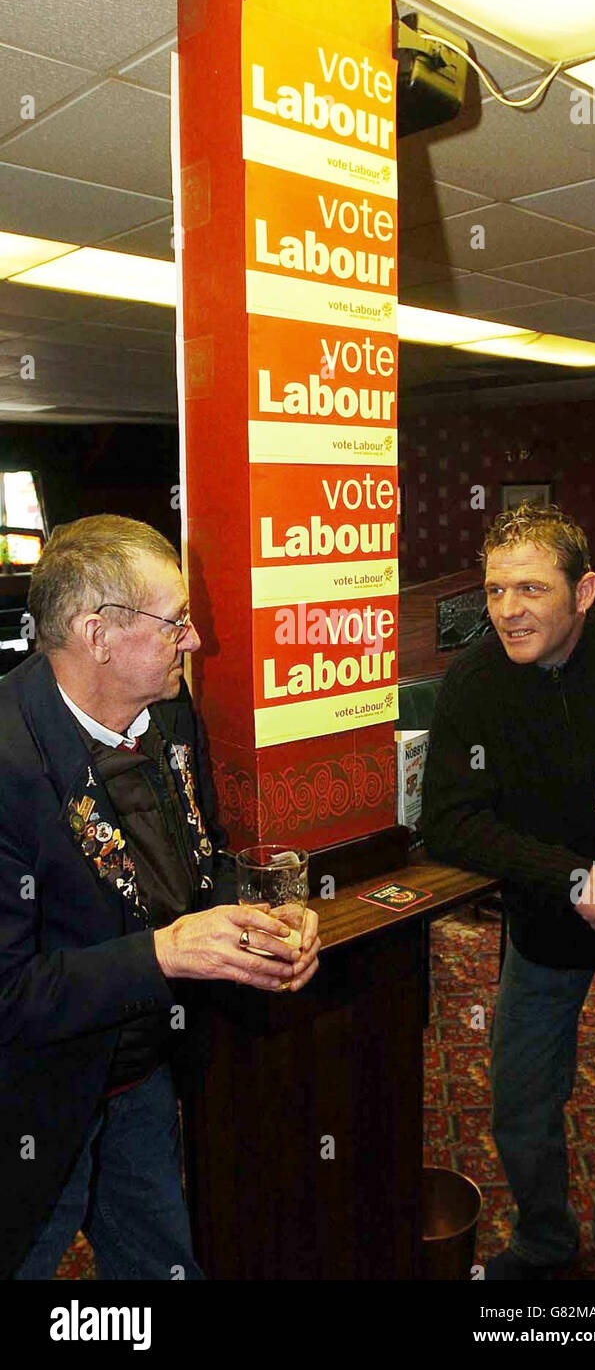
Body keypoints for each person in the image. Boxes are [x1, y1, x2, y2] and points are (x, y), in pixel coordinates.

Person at [0, 515, 320, 1280]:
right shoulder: (8, 762)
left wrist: (266, 911)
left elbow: (198, 862)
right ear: (96, 633)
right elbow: (8, 995)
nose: (196, 640)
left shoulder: (172, 710)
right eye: (176, 621)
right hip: (30, 1106)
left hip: (139, 1079)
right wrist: (163, 952)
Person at [421, 502, 595, 1281]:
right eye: (494, 591)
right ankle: (545, 1241)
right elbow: (451, 822)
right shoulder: (473, 682)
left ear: (585, 592)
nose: (506, 611)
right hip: (544, 923)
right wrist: (569, 877)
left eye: (530, 589)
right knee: (519, 1107)